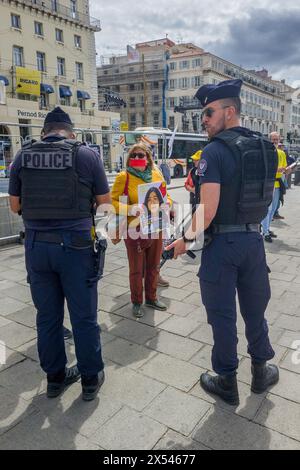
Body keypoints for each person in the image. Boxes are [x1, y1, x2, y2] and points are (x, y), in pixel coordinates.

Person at [166, 79, 279, 405]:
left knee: (223, 315)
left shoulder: (214, 151)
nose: (204, 119)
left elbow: (208, 209)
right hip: (254, 242)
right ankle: (261, 371)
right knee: (255, 310)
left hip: (223, 247)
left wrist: (184, 239)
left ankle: (227, 381)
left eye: (209, 112)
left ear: (229, 112)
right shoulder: (264, 147)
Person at [8, 107, 111, 401]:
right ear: (71, 133)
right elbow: (105, 205)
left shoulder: (22, 156)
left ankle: (55, 379)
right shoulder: (86, 155)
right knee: (84, 316)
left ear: (44, 133)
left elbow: (15, 207)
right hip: (76, 248)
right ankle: (90, 379)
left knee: (48, 317)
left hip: (37, 247)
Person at [111, 143, 172, 318]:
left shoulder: (156, 173)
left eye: (141, 155)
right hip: (134, 229)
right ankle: (137, 301)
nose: (137, 158)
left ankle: (151, 298)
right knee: (136, 269)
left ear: (147, 158)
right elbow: (112, 201)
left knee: (153, 266)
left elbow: (165, 194)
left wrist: (168, 202)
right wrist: (130, 209)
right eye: (134, 156)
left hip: (155, 226)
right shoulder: (124, 177)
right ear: (129, 158)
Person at [261, 132, 287, 242]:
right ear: (269, 140)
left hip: (278, 184)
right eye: (273, 139)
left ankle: (267, 228)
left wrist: (288, 169)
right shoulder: (265, 153)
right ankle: (265, 232)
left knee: (274, 208)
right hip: (269, 183)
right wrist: (277, 170)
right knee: (268, 209)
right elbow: (263, 168)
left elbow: (284, 167)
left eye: (276, 139)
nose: (275, 142)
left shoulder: (281, 153)